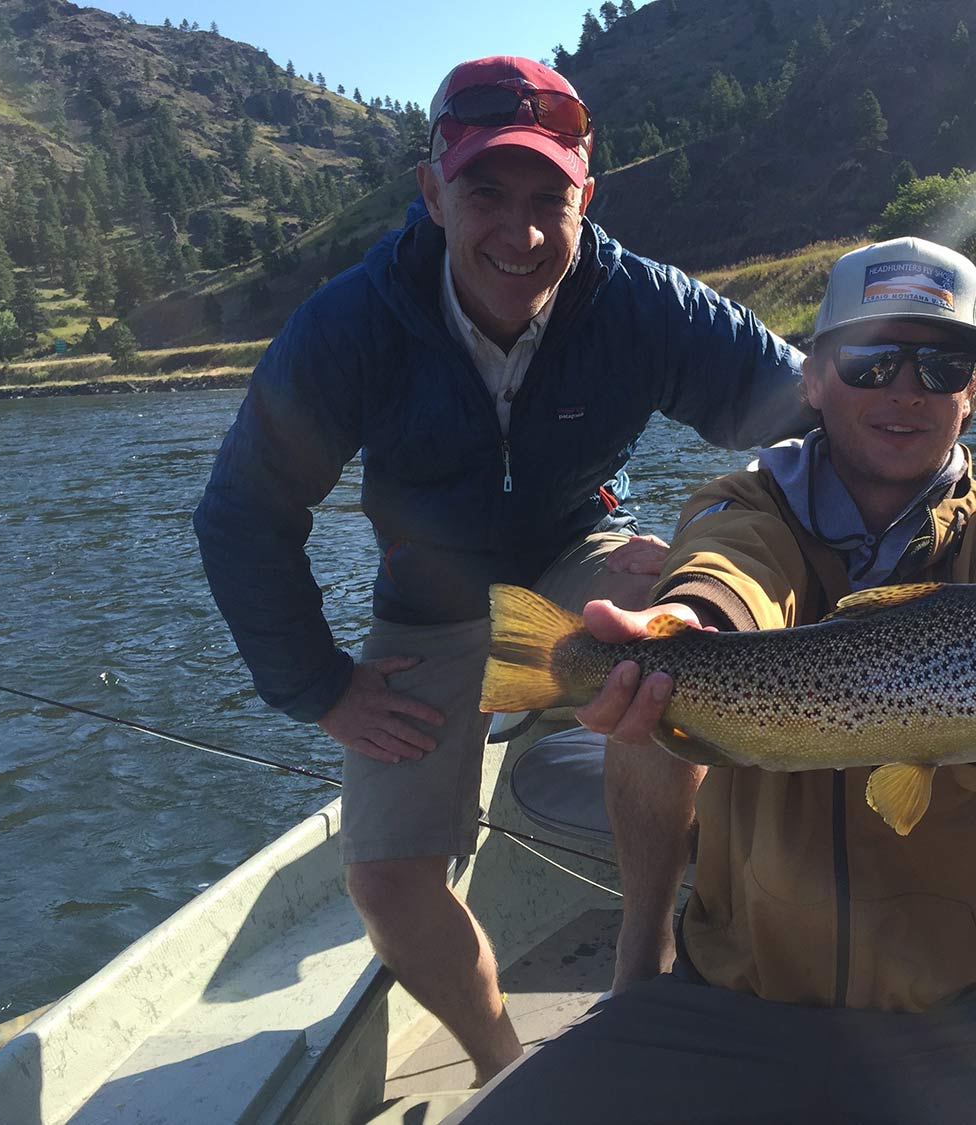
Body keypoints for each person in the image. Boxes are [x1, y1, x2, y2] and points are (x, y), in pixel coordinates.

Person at [456, 238, 976, 1122]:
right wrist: (689, 627)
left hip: (969, 1014)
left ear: (973, 390)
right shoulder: (741, 503)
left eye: (942, 363)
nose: (905, 388)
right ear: (812, 377)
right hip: (734, 997)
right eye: (871, 358)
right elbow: (728, 573)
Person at [192, 55, 808, 1082]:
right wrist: (323, 686)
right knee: (388, 884)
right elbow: (244, 516)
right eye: (485, 193)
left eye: (546, 200)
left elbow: (806, 425)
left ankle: (640, 969)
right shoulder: (351, 323)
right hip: (426, 606)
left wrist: (934, 460)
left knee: (665, 641)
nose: (518, 234)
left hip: (579, 553)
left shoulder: (643, 302)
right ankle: (499, 1067)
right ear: (432, 190)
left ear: (587, 201)